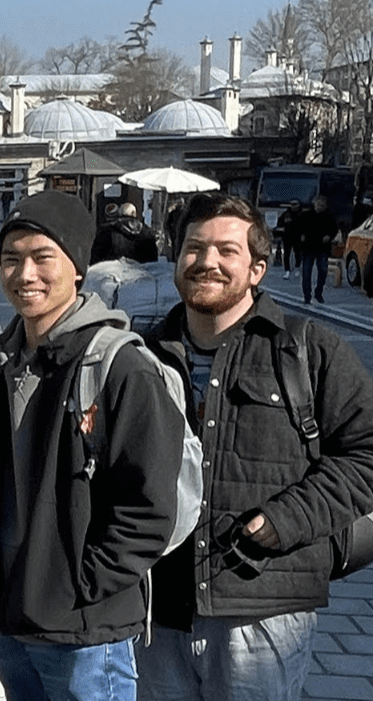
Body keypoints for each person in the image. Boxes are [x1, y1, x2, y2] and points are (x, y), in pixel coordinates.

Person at [137, 192, 373, 701]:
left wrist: (285, 519)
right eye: (194, 249)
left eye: (227, 251)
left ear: (258, 269)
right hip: (158, 610)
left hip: (263, 612)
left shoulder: (308, 350)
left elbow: (367, 455)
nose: (208, 263)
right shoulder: (143, 355)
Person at [0, 190, 187, 701]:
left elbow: (148, 506)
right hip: (11, 610)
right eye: (11, 259)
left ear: (78, 267)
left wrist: (82, 585)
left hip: (83, 629)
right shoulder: (6, 361)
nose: (25, 274)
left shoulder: (120, 366)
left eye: (43, 258)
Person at [291, 196, 339, 304]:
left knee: (323, 270)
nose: (320, 207)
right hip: (308, 247)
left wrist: (329, 236)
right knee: (306, 273)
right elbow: (296, 226)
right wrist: (301, 236)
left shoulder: (329, 216)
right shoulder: (306, 215)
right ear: (314, 204)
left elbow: (334, 228)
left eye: (322, 205)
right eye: (318, 204)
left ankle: (319, 292)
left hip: (322, 248)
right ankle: (307, 295)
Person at [89, 201, 160, 265]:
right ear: (135, 214)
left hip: (113, 271)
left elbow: (96, 254)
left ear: (119, 213)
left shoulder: (109, 230)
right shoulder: (146, 231)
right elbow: (153, 257)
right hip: (140, 272)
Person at [273, 200, 301, 280]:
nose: (293, 206)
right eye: (292, 204)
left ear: (298, 205)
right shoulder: (286, 214)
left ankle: (297, 268)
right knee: (286, 254)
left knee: (297, 253)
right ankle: (287, 270)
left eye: (295, 204)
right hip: (287, 236)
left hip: (297, 236)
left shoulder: (301, 214)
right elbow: (279, 223)